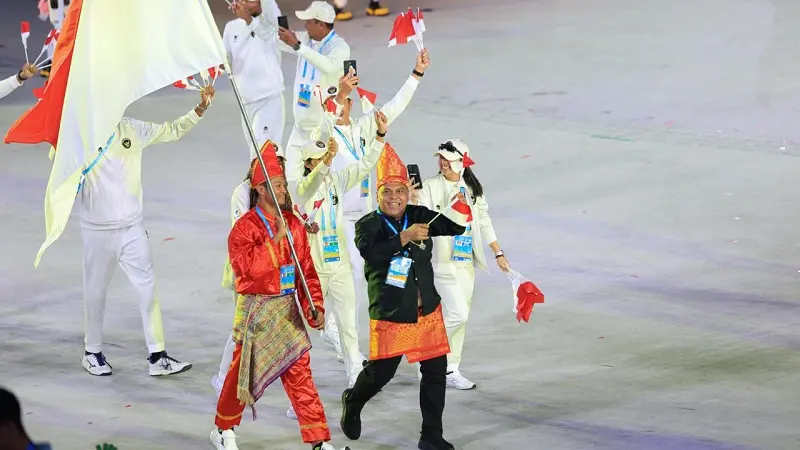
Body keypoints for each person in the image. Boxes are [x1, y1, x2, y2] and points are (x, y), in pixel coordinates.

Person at [211, 143, 349, 450]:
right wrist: (274, 242)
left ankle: (319, 441)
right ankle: (223, 429)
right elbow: (245, 271)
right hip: (257, 312)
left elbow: (306, 271)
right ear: (260, 189)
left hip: (287, 311)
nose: (284, 190)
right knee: (240, 374)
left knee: (301, 376)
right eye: (276, 185)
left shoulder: (295, 225)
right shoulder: (244, 229)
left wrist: (314, 304)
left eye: (284, 184)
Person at [339, 146, 468, 450]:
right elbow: (371, 253)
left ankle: (431, 436)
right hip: (393, 313)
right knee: (381, 374)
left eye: (400, 191)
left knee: (435, 373)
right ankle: (354, 400)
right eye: (388, 192)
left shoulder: (419, 213)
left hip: (427, 313)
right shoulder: (367, 224)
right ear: (378, 194)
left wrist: (450, 193)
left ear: (408, 192)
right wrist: (405, 237)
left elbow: (455, 225)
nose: (394, 197)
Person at [78, 87, 214, 377]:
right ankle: (92, 352)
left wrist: (198, 110)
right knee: (95, 291)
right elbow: (59, 161)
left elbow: (172, 130)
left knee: (147, 289)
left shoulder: (132, 129)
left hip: (132, 228)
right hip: (97, 230)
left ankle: (158, 356)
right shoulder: (79, 136)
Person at [311, 48, 430, 362]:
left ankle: (383, 338)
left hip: (366, 217)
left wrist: (415, 75)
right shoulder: (321, 136)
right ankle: (338, 335)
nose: (336, 108)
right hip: (337, 222)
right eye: (330, 103)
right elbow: (321, 128)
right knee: (345, 283)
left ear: (351, 103)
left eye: (341, 102)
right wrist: (338, 96)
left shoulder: (363, 128)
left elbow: (393, 108)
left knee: (385, 276)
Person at [212, 141, 325, 397]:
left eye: (283, 173)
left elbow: (289, 215)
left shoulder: (280, 192)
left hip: (281, 279)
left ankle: (299, 404)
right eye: (276, 176)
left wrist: (300, 229)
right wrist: (274, 238)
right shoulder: (242, 194)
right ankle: (224, 380)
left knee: (292, 349)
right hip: (252, 281)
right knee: (242, 338)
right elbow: (243, 236)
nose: (282, 183)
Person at [296, 110, 389, 389]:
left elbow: (364, 165)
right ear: (308, 163)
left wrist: (380, 137)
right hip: (313, 270)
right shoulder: (299, 189)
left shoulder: (335, 181)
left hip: (339, 266)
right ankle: (299, 389)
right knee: (303, 330)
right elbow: (311, 184)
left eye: (327, 157)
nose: (326, 163)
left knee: (349, 325)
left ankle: (356, 380)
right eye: (319, 159)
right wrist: (326, 164)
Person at [414, 139, 510, 390]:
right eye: (440, 158)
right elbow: (419, 216)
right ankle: (427, 353)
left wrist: (498, 253)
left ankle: (450, 368)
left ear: (461, 162)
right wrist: (421, 198)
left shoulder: (472, 189)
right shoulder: (430, 186)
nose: (442, 162)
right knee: (458, 313)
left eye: (447, 158)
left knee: (460, 318)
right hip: (439, 262)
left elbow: (484, 220)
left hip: (464, 261)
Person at [247, 0, 351, 186]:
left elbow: (328, 66)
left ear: (320, 24)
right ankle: (295, 213)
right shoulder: (306, 40)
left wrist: (298, 47)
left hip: (323, 130)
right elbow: (272, 37)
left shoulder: (339, 47)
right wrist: (255, 17)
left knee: (323, 181)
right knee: (292, 178)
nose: (305, 25)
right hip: (300, 126)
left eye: (308, 21)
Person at [225, 0, 286, 159]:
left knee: (263, 151)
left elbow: (269, 34)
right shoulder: (231, 27)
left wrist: (249, 20)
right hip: (245, 99)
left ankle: (266, 184)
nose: (245, 3)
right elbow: (226, 60)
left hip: (269, 98)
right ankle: (268, 183)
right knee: (256, 153)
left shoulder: (271, 20)